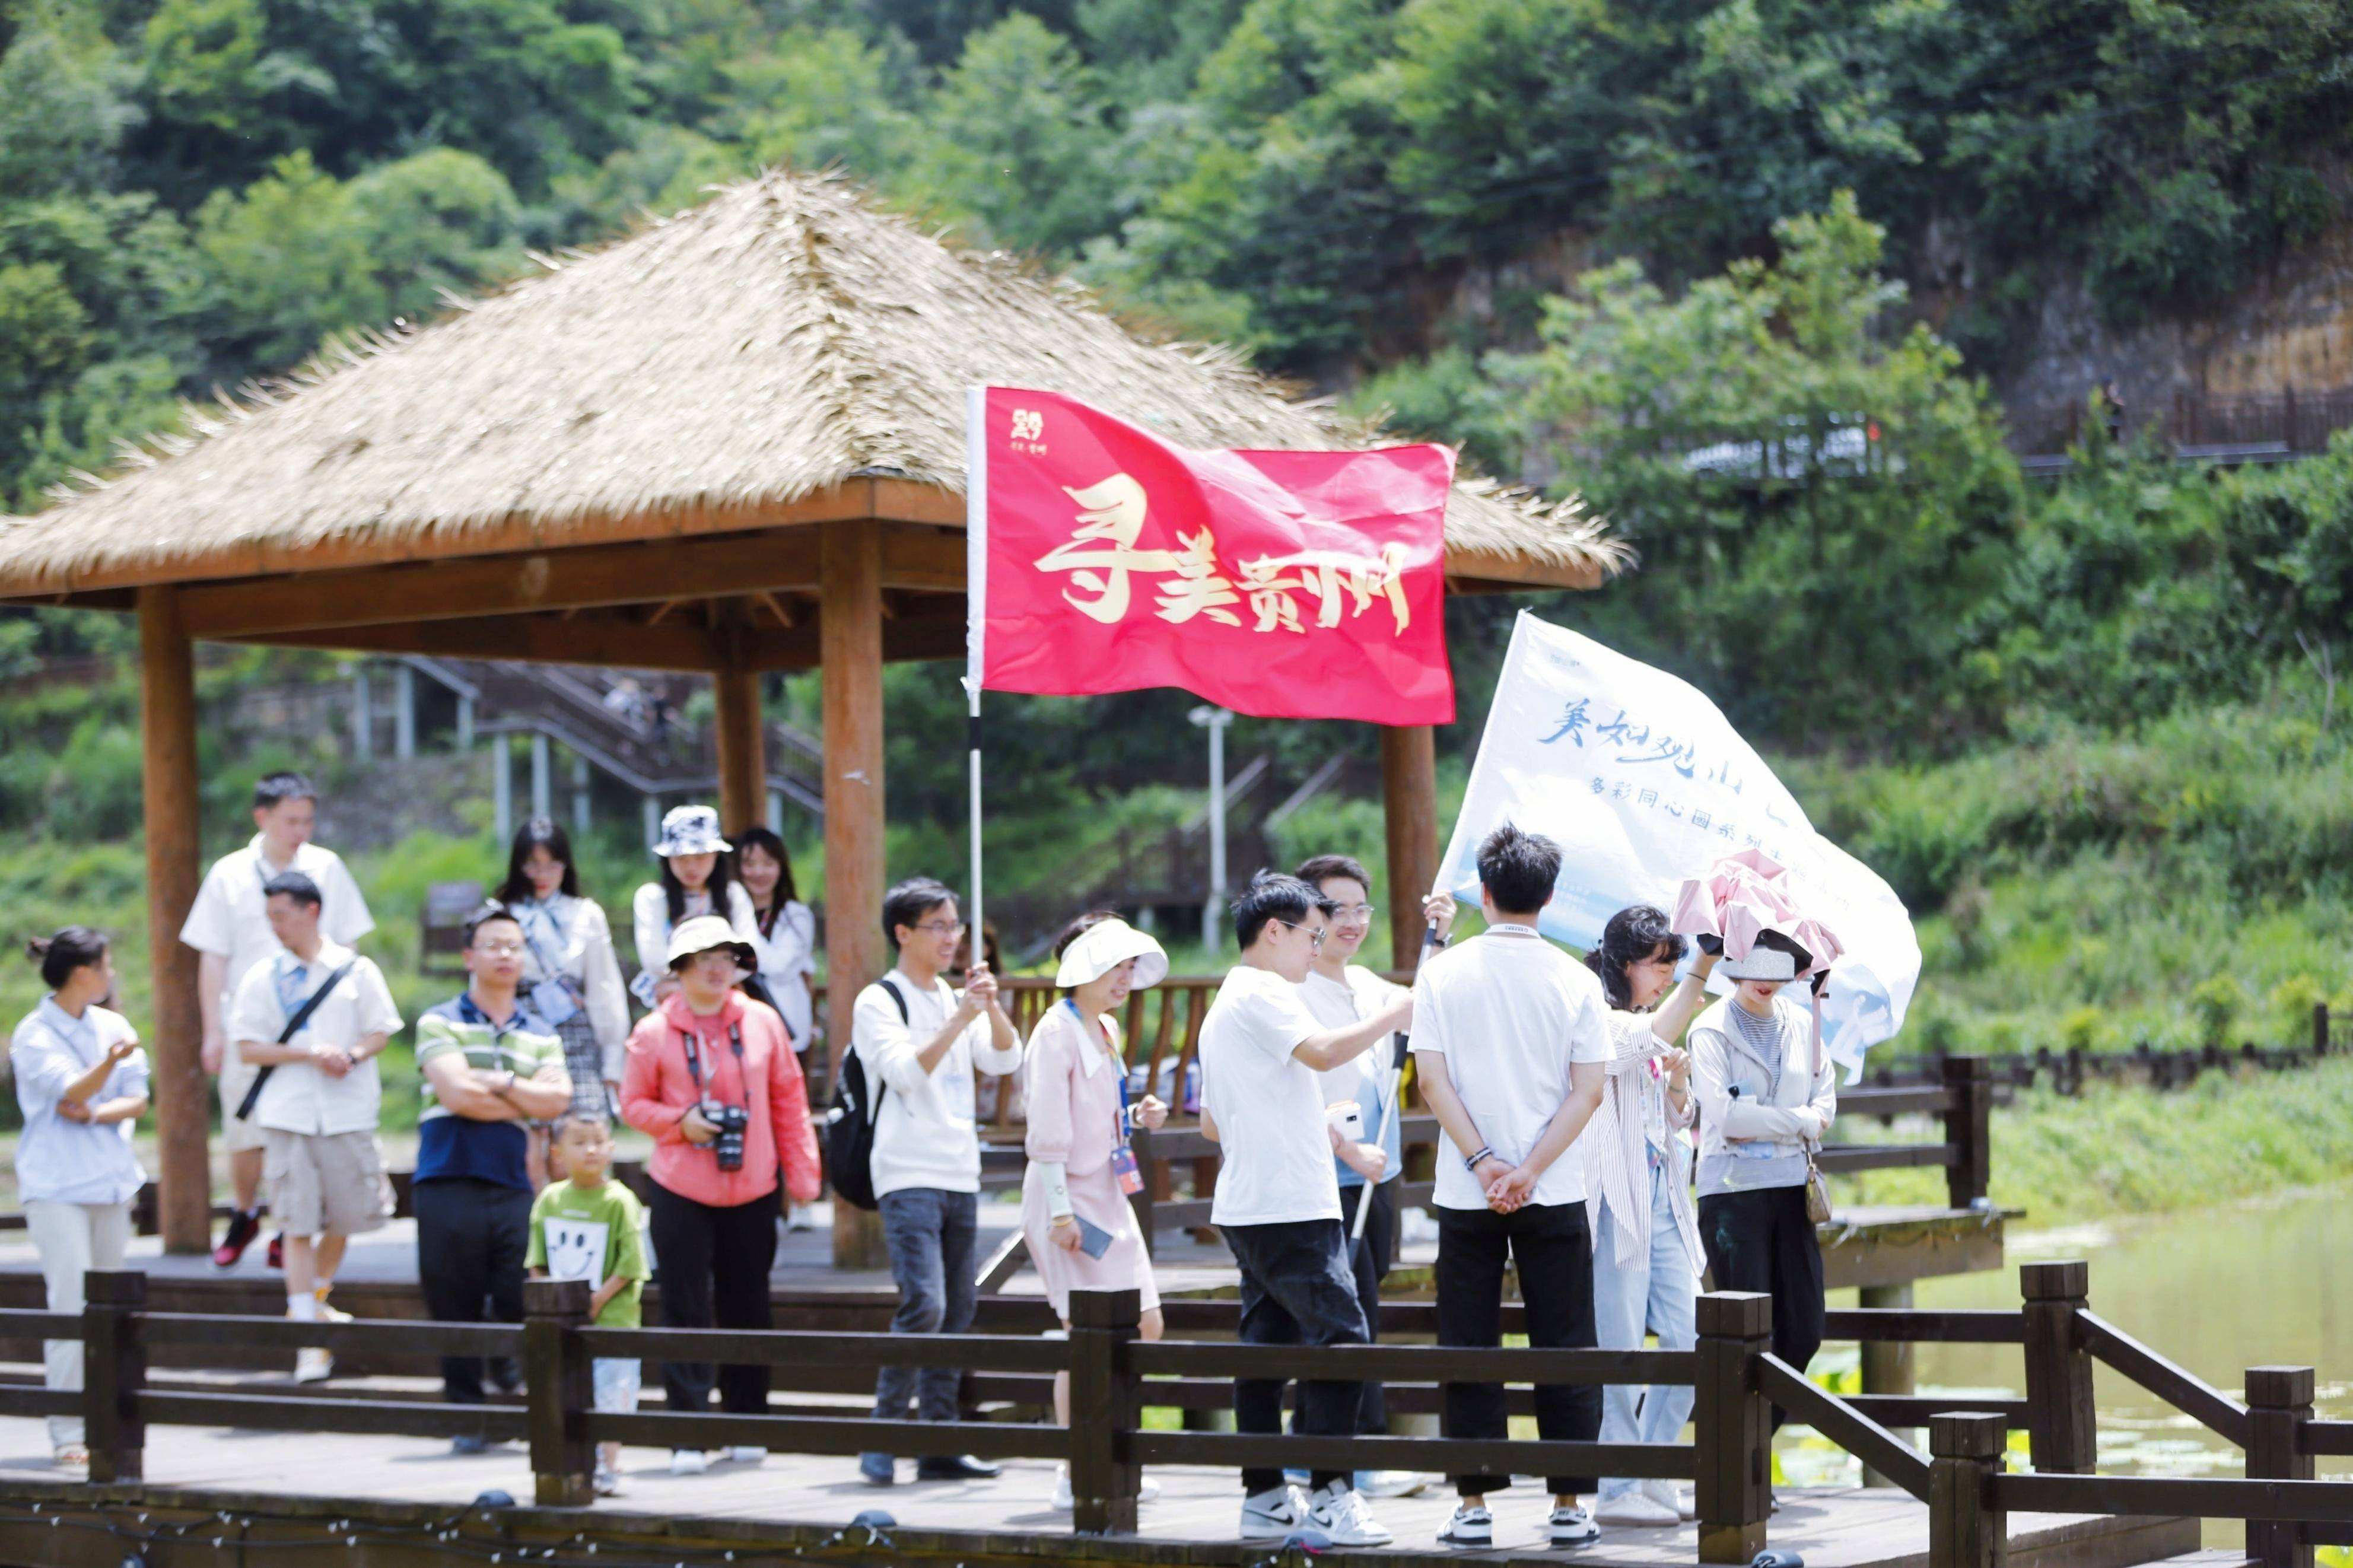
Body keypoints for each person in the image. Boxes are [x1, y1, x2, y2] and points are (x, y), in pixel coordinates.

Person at [1410, 823, 1611, 1549]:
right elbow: (1587, 1094)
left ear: (1485, 893)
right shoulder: (1577, 980)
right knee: (1565, 1341)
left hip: (1468, 1193)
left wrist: (1484, 1163)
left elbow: (1431, 1081)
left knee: (1469, 1342)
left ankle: (1473, 1505)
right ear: (1549, 898)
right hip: (1551, 1190)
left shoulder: (1442, 974)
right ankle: (1568, 1503)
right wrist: (1527, 1170)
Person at [1196, 871, 1411, 1548]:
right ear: (1274, 932)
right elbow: (1321, 1050)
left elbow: (1212, 1123)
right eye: (1310, 936)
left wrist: (1323, 1133)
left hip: (1256, 1199)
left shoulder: (1228, 999)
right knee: (1344, 1338)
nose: (1315, 951)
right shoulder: (1263, 990)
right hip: (1287, 1203)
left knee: (1266, 1349)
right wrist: (1394, 1014)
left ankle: (1264, 1497)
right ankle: (1330, 1495)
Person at [620, 915, 822, 1476]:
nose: (715, 967)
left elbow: (789, 1100)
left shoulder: (762, 1022)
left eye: (725, 956)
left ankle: (747, 1420)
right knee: (684, 1306)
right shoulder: (654, 1030)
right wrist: (680, 1121)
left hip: (755, 1183)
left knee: (749, 1303)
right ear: (679, 968)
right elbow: (632, 1104)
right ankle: (688, 1429)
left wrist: (804, 1176)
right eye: (702, 957)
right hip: (680, 1186)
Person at [1292, 855, 1455, 1502]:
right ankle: (1344, 1459)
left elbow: (1427, 1006)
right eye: (1337, 910)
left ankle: (1329, 1453)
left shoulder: (1367, 985)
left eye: (1362, 908)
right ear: (1306, 917)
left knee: (1363, 1302)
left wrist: (1438, 940)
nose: (1352, 922)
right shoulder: (1296, 992)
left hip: (1373, 1170)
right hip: (1324, 1172)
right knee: (1342, 1312)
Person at [850, 877, 1020, 1488]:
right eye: (940, 926)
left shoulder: (957, 998)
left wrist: (989, 1006)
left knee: (958, 1310)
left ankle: (939, 1443)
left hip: (957, 1168)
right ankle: (884, 1435)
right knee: (924, 1303)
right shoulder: (879, 1001)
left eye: (956, 927)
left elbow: (1004, 1059)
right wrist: (959, 1019)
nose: (953, 938)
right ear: (904, 933)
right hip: (906, 1171)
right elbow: (903, 1072)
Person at [180, 771, 374, 1268]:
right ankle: (246, 1212)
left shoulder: (327, 866)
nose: (300, 829)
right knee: (246, 1129)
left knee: (310, 1128)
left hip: (321, 1026)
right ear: (262, 816)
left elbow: (349, 944)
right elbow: (213, 957)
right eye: (291, 819)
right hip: (254, 1023)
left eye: (307, 819)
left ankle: (293, 1227)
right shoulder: (229, 873)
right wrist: (213, 1031)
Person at [1020, 911, 1172, 1512]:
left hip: (1107, 1188)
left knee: (1145, 1321)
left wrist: (1138, 1118)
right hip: (1070, 1197)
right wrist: (1060, 1214)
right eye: (1115, 964)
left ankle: (1108, 1451)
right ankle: (1076, 1467)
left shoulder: (1103, 1027)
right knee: (1085, 1332)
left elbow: (1100, 1112)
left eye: (1131, 965)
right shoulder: (1055, 1032)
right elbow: (1049, 1131)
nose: (1125, 977)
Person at [227, 872, 402, 1383]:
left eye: (282, 914)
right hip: (287, 1113)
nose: (276, 925)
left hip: (347, 1111)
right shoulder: (263, 975)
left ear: (311, 910)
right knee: (296, 1221)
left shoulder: (356, 969)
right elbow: (247, 1047)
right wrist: (308, 1054)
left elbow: (381, 1030)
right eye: (271, 916)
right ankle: (306, 1331)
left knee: (347, 1217)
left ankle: (316, 1297)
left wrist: (349, 1054)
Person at [412, 903, 573, 1442]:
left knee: (519, 1295)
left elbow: (559, 1102)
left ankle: (522, 1405)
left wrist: (495, 1082)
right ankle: (466, 1417)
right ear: (468, 956)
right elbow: (456, 1095)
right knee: (451, 1299)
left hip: (516, 1184)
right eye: (493, 944)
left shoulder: (543, 1032)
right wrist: (524, 1099)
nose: (505, 954)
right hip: (447, 1175)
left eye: (514, 945)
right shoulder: (440, 1020)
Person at [1581, 905, 1717, 1528]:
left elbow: (1678, 1124)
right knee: (1624, 1349)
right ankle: (1617, 1486)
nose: (1667, 974)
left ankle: (1654, 1470)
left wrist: (1679, 1089)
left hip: (1665, 1201)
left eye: (1672, 962)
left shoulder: (1650, 1025)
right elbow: (1642, 1040)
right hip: (1617, 1204)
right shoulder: (1601, 1019)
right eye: (1659, 963)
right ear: (1626, 963)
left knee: (1693, 1342)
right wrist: (1703, 966)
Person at [1690, 930, 1837, 1443]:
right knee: (1746, 1336)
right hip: (1731, 1194)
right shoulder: (1709, 1029)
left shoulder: (1804, 1024)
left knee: (1803, 1329)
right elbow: (1729, 1119)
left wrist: (1783, 1120)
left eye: (1777, 971)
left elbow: (1826, 1108)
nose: (1764, 982)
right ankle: (1740, 1469)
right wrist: (1798, 1121)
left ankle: (1748, 1448)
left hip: (1792, 1188)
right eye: (1754, 968)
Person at [9, 929, 148, 1470]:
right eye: (106, 964)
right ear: (82, 971)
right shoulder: (34, 1032)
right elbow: (72, 1089)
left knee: (113, 1308)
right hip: (57, 1186)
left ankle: (110, 1419)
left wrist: (95, 1110)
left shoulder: (113, 1025)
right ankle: (68, 1427)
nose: (112, 972)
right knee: (70, 1303)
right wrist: (106, 1072)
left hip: (110, 1180)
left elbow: (136, 1102)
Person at [527, 1112, 650, 1496]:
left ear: (611, 1148)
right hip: (563, 1324)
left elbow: (631, 1265)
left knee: (613, 1394)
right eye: (579, 1142)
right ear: (558, 1152)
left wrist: (594, 1302)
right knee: (562, 1393)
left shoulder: (620, 1200)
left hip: (612, 1321)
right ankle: (568, 1465)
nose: (591, 1149)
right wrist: (551, 1303)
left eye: (598, 1140)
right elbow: (537, 1259)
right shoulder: (550, 1198)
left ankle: (609, 1465)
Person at [497, 818, 631, 1120]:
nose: (542, 876)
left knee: (583, 1126)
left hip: (575, 1033)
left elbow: (604, 989)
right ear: (518, 866)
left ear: (566, 866)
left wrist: (613, 1061)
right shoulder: (501, 915)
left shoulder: (586, 914)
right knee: (522, 1126)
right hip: (517, 1032)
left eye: (552, 865)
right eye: (532, 865)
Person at [630, 806, 758, 1007]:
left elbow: (751, 953)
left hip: (722, 1000)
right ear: (667, 859)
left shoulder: (733, 895)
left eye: (700, 857)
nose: (691, 867)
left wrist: (689, 986)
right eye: (681, 858)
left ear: (716, 856)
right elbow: (655, 961)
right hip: (674, 1005)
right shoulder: (653, 898)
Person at [733, 825, 818, 1053]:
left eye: (768, 863)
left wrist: (743, 922)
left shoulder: (795, 915)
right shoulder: (727, 914)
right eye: (750, 864)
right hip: (737, 1030)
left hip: (786, 1030)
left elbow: (779, 967)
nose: (759, 872)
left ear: (781, 867)